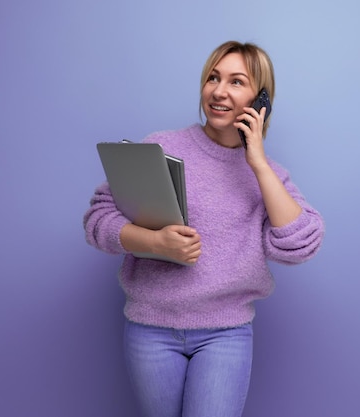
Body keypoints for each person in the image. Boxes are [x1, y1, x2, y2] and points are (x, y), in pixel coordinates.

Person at [83, 40, 325, 417]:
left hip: (225, 334)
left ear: (261, 99)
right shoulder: (160, 146)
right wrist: (154, 242)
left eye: (236, 82)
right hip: (151, 328)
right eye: (213, 78)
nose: (218, 91)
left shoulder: (269, 176)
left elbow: (299, 244)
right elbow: (98, 218)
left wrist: (257, 162)